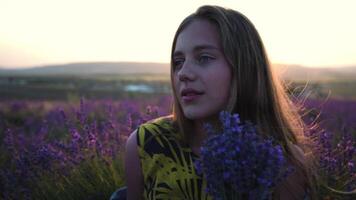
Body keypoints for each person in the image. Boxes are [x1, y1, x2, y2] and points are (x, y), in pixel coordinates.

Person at [124, 5, 316, 200]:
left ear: (244, 67)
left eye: (204, 58)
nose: (183, 73)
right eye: (178, 62)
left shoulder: (280, 162)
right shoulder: (146, 145)